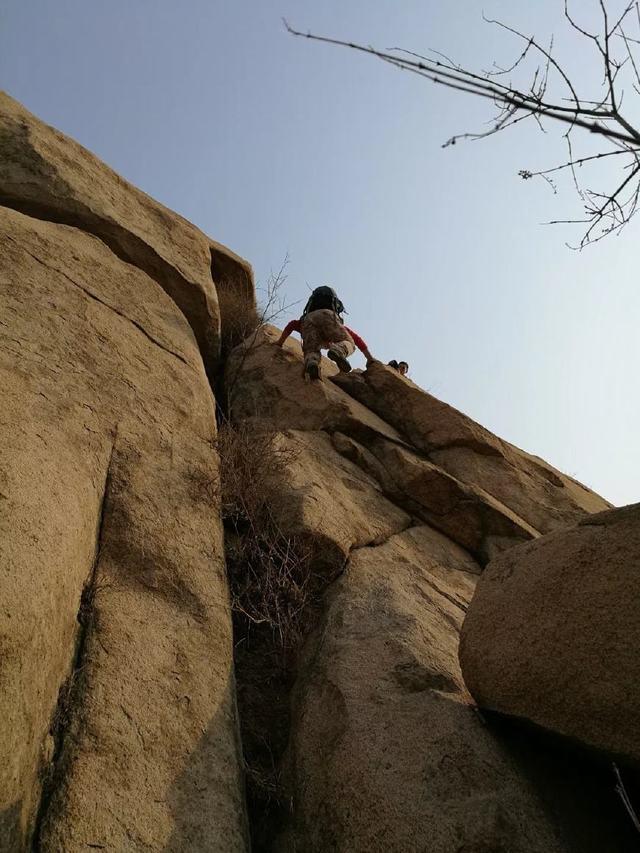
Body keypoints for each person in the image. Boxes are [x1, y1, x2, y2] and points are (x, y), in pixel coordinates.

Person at [275, 286, 375, 380]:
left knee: (311, 350)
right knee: (349, 342)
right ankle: (339, 350)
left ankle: (312, 362)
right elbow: (356, 339)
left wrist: (279, 342)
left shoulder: (304, 321)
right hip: (329, 316)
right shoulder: (335, 323)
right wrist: (369, 358)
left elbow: (291, 325)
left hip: (308, 320)